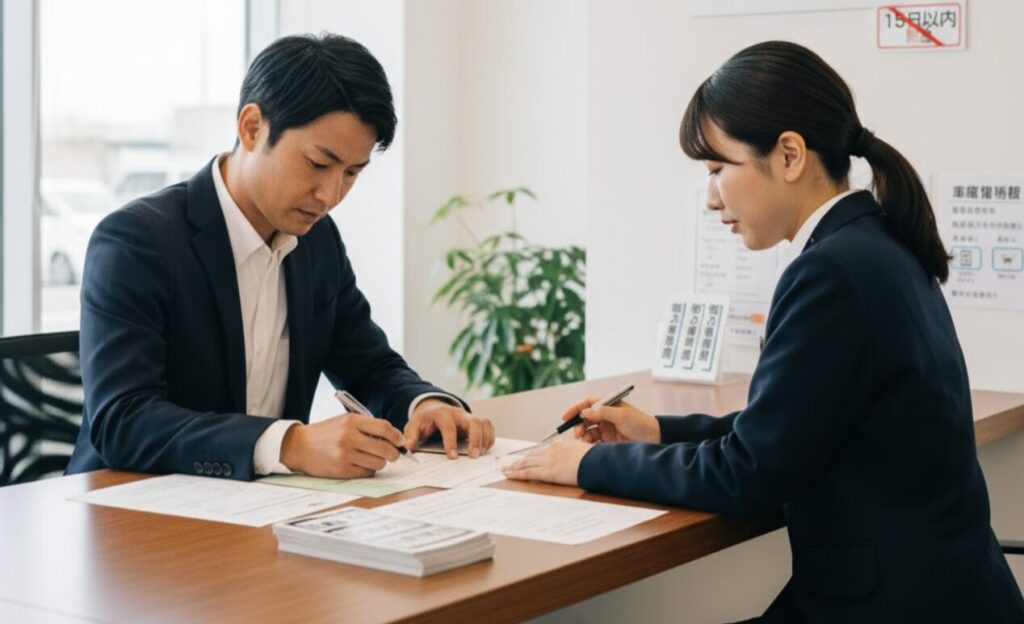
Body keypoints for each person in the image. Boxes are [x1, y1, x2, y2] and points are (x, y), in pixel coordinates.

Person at [503, 41, 1024, 622]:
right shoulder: (876, 243)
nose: (709, 198)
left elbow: (748, 476)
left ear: (790, 155)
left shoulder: (831, 272)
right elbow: (789, 429)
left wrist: (584, 465)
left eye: (717, 170)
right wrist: (657, 431)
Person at [67, 33, 494, 482]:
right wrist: (289, 444)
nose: (330, 195)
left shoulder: (316, 240)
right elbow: (123, 419)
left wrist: (424, 405)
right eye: (317, 164)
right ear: (252, 128)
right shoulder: (137, 241)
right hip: (129, 503)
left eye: (352, 173)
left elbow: (369, 365)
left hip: (262, 507)